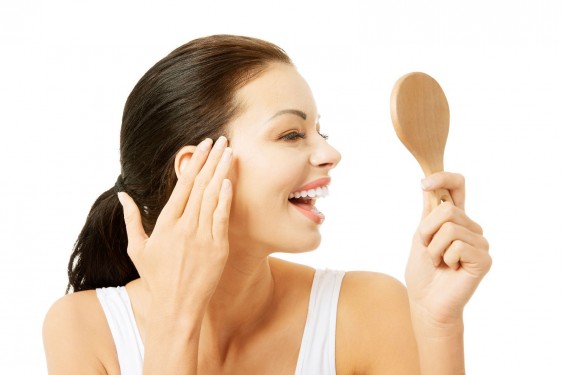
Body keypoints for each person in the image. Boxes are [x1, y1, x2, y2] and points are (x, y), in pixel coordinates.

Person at [43, 34, 491, 374]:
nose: (330, 154)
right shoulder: (86, 329)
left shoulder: (367, 309)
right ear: (196, 167)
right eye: (292, 134)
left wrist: (438, 324)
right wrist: (175, 322)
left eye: (321, 131)